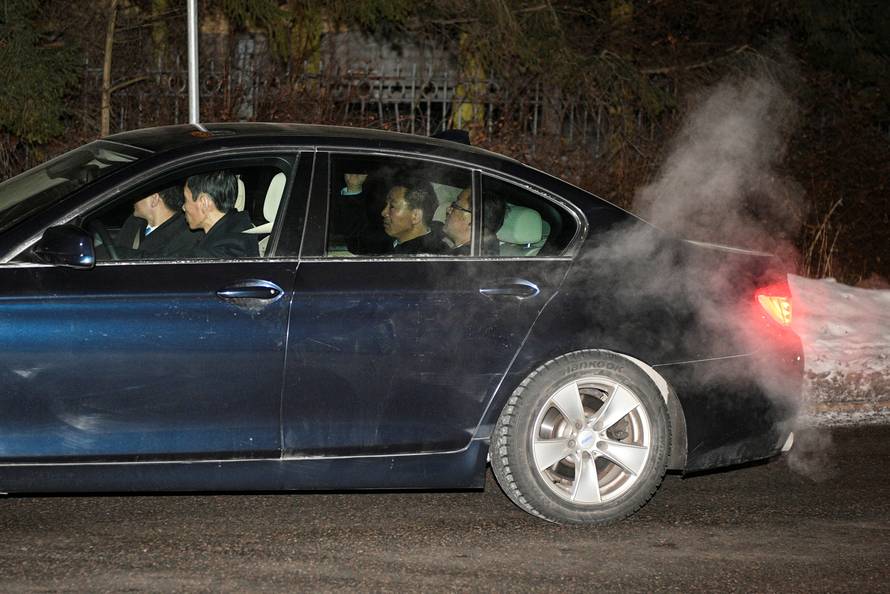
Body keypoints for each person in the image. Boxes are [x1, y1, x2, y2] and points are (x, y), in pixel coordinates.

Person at [182, 171, 259, 258]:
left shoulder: (216, 255)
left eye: (186, 199)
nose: (183, 207)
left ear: (204, 203)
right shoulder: (238, 231)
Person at [114, 187, 200, 259]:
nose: (133, 199)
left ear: (154, 199)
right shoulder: (134, 222)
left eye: (138, 194)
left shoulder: (186, 233)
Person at [381, 184, 444, 255]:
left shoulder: (430, 257)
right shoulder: (384, 243)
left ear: (415, 216)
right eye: (386, 204)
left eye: (392, 206)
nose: (383, 213)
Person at [441, 188, 505, 255]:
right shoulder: (478, 253)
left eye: (455, 206)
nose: (448, 209)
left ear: (474, 221)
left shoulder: (465, 261)